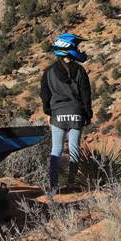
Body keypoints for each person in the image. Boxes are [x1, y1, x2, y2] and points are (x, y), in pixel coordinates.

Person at [40, 33, 92, 195]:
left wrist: (48, 112)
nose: (78, 49)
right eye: (75, 47)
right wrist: (88, 114)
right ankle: (71, 183)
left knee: (56, 149)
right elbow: (86, 94)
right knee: (74, 148)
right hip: (76, 113)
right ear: (69, 49)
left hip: (57, 115)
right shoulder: (80, 71)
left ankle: (53, 186)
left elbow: (45, 94)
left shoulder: (48, 71)